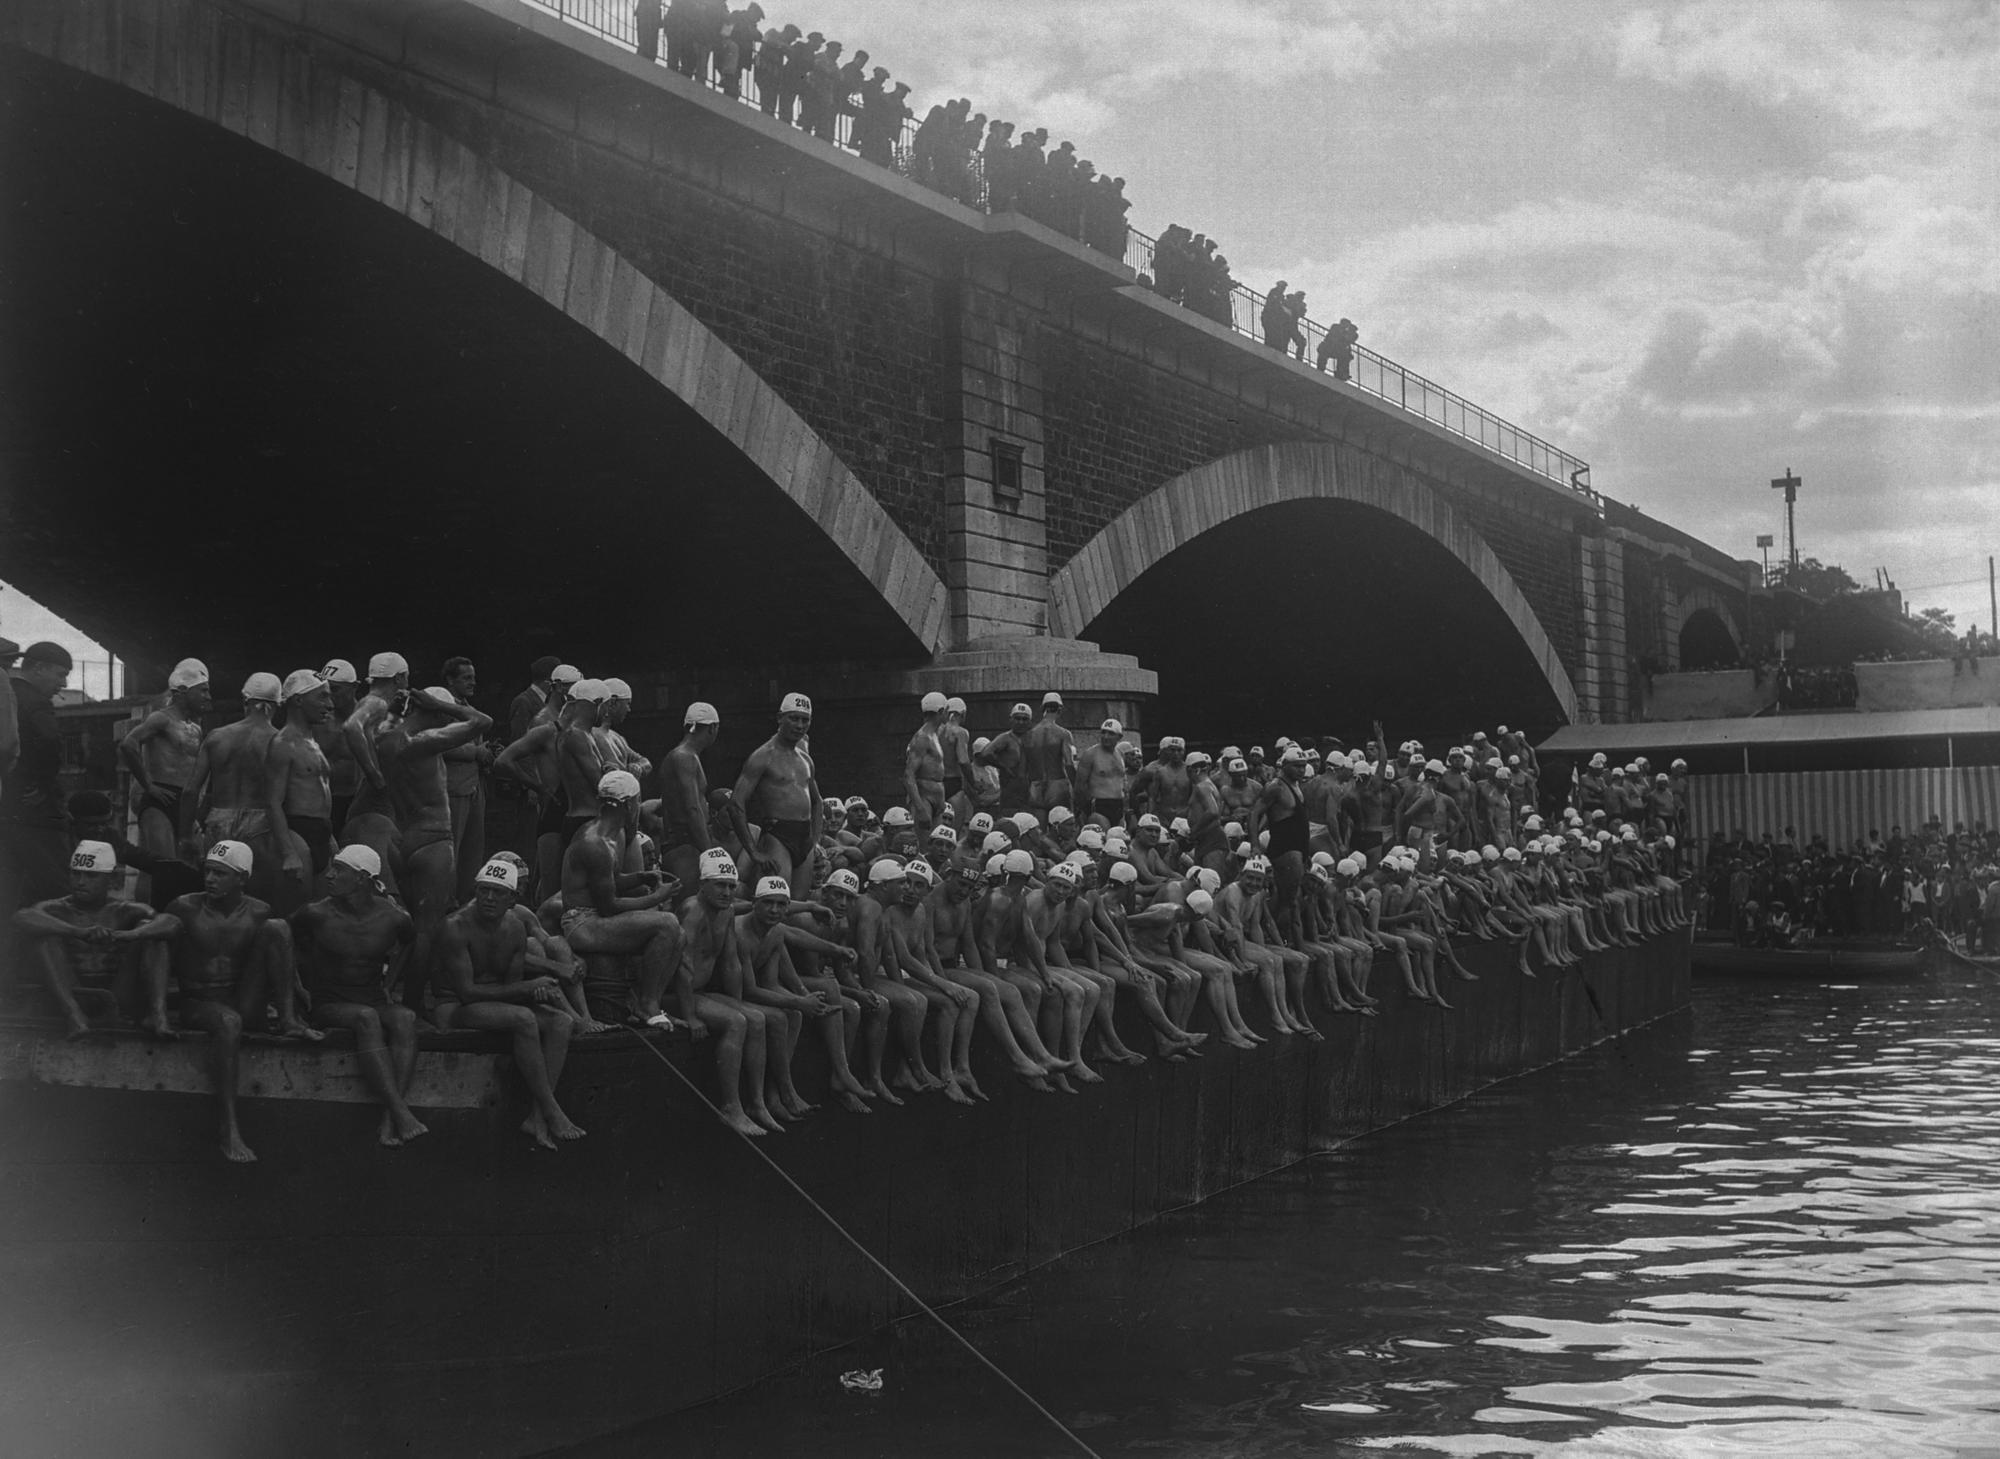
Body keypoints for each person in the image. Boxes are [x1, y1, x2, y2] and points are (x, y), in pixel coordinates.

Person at [158, 838, 323, 1160]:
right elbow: (158, 954)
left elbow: (278, 952)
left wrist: (297, 991)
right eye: (207, 872)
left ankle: (288, 1021)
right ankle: (228, 1128)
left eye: (220, 874)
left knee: (279, 927)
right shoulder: (184, 907)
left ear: (242, 878)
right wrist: (158, 1008)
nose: (209, 880)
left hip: (241, 997)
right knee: (229, 1022)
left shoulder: (259, 911)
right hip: (199, 1002)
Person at [433, 856, 585, 1148]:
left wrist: (534, 992)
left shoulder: (515, 928)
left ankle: (537, 1116)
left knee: (561, 1022)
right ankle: (552, 1111)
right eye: (483, 890)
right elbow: (466, 992)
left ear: (512, 898)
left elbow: (511, 985)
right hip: (454, 1006)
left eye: (497, 892)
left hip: (495, 1004)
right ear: (475, 891)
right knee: (524, 1019)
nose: (488, 898)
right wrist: (528, 987)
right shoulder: (455, 926)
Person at [290, 844, 431, 1145]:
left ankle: (389, 1119)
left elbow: (409, 943)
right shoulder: (316, 913)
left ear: (362, 879)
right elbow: (280, 941)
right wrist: (296, 987)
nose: (329, 875)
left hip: (372, 996)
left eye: (338, 870)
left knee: (405, 1018)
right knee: (366, 1018)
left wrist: (389, 984)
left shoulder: (394, 917)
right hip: (329, 1002)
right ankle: (400, 1113)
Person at [373, 685, 493, 1007]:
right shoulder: (423, 743)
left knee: (409, 925)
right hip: (433, 839)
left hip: (399, 840)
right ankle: (413, 1004)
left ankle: (387, 988)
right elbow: (482, 722)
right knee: (428, 930)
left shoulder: (385, 738)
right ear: (435, 710)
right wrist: (443, 704)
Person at [13, 839, 172, 1041]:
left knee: (153, 935)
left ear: (111, 879)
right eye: (76, 873)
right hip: (74, 992)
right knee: (45, 935)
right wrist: (78, 932)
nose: (81, 881)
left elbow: (171, 923)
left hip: (116, 995)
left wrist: (128, 935)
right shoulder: (55, 909)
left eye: (90, 875)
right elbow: (22, 917)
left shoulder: (124, 910)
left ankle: (158, 1014)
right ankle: (73, 1015)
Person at [673, 847, 784, 1136]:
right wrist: (689, 1016)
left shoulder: (727, 911)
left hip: (699, 991)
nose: (727, 892)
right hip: (674, 995)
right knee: (737, 1022)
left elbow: (731, 962)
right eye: (720, 885)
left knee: (756, 1018)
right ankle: (730, 1107)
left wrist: (738, 1002)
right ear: (703, 885)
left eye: (731, 886)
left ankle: (757, 1103)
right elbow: (681, 967)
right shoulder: (692, 911)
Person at [559, 770, 684, 1026]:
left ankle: (649, 1002)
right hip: (581, 923)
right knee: (667, 923)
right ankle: (647, 1006)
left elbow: (611, 881)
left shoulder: (614, 834)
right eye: (638, 801)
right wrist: (657, 897)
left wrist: (641, 877)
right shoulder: (595, 843)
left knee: (678, 935)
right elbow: (609, 906)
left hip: (595, 916)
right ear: (629, 804)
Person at [177, 672, 286, 899]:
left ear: (246, 701)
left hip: (219, 819)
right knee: (256, 895)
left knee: (213, 894)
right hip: (261, 824)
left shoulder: (217, 737)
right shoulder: (280, 741)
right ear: (277, 705)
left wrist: (186, 834)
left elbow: (190, 791)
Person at [1, 641, 74, 923]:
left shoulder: (8, 695)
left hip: (8, 806)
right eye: (60, 674)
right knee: (57, 890)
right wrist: (43, 784)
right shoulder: (36, 701)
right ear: (39, 668)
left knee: (10, 891)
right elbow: (49, 740)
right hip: (39, 812)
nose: (63, 683)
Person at [119, 657, 211, 869]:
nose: (208, 697)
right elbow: (128, 743)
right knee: (163, 868)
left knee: (193, 867)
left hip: (185, 802)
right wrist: (148, 785)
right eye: (203, 691)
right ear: (183, 691)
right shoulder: (161, 718)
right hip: (160, 800)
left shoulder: (195, 726)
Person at [732, 691, 824, 898]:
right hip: (778, 836)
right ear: (779, 718)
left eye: (805, 720)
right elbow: (736, 803)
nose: (799, 725)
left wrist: (816, 841)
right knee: (776, 900)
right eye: (793, 718)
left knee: (797, 905)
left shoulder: (805, 759)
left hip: (805, 838)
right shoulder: (763, 756)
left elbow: (818, 803)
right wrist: (753, 850)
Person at [265, 670, 338, 909]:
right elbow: (273, 802)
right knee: (295, 916)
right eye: (322, 697)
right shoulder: (283, 743)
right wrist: (288, 852)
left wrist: (331, 840)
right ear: (298, 700)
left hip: (322, 832)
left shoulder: (313, 743)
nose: (330, 704)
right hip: (297, 832)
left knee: (321, 915)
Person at [440, 657, 492, 903]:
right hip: (453, 788)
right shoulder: (441, 707)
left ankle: (466, 901)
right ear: (450, 680)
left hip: (474, 786)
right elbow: (440, 744)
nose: (473, 682)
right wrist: (476, 752)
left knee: (473, 851)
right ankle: (448, 902)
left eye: (473, 677)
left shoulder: (468, 707)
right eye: (466, 678)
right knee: (453, 848)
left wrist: (487, 753)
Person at [903, 691, 949, 832]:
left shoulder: (933, 734)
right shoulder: (922, 738)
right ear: (941, 711)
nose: (949, 714)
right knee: (923, 847)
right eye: (947, 711)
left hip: (936, 798)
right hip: (925, 798)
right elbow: (908, 775)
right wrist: (920, 808)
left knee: (936, 845)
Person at [1022, 692, 1076, 812]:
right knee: (1061, 823)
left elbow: (1024, 767)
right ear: (1060, 709)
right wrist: (1076, 787)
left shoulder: (1029, 735)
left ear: (1043, 708)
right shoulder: (1063, 734)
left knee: (1039, 827)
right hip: (1057, 785)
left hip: (1035, 786)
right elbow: (1069, 763)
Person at [1074, 719, 1130, 827]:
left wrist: (1127, 809)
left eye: (1110, 733)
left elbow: (1123, 784)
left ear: (1119, 737)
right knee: (1103, 840)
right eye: (1103, 732)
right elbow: (1079, 786)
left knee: (1119, 841)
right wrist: (1083, 810)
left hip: (1118, 806)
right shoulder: (1090, 754)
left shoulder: (1120, 755)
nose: (1106, 736)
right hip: (1099, 806)